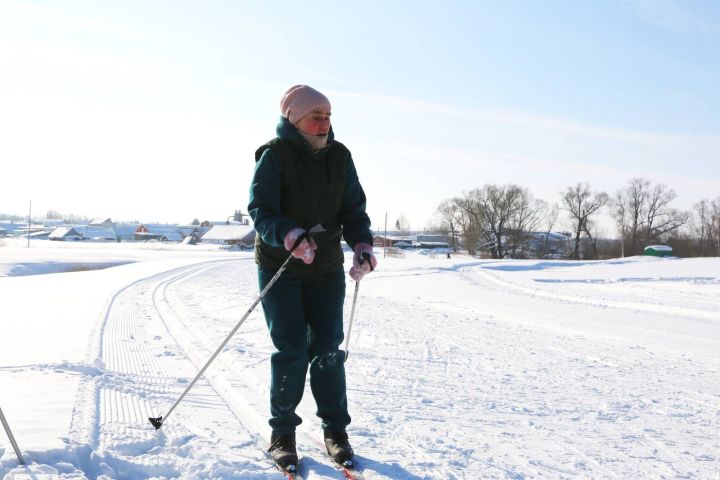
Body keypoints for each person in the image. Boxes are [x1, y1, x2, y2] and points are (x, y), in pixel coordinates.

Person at [248, 85, 377, 471]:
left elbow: (354, 210)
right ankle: (282, 434)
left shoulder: (340, 157)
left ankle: (335, 431)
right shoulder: (274, 155)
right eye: (316, 116)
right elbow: (261, 209)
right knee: (291, 349)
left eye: (328, 116)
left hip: (324, 269)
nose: (324, 123)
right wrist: (288, 235)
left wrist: (363, 245)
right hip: (281, 265)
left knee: (327, 350)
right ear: (295, 119)